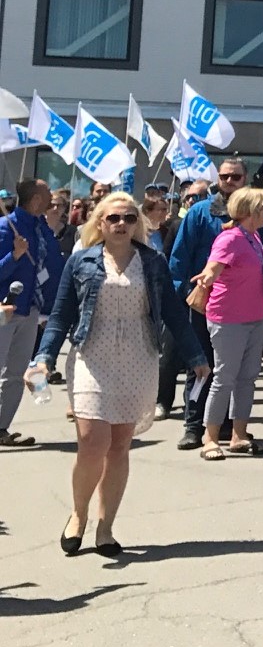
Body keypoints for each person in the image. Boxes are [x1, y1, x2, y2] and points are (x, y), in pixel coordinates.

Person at [28, 192, 206, 554]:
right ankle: (78, 515)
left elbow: (173, 313)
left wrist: (195, 356)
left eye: (128, 218)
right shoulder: (81, 261)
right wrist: (43, 357)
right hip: (92, 357)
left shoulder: (153, 262)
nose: (121, 224)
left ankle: (105, 527)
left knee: (120, 445)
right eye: (113, 218)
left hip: (138, 359)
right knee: (92, 443)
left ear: (136, 223)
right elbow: (61, 315)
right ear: (100, 224)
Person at [168, 158, 263, 450]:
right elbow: (180, 256)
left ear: (244, 179)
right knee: (201, 366)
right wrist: (182, 293)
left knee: (236, 371)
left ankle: (228, 427)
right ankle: (193, 425)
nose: (229, 181)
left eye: (235, 176)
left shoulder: (256, 222)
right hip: (206, 303)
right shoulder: (200, 212)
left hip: (246, 307)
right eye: (224, 176)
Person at [193, 187, 263, 460]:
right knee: (224, 377)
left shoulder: (253, 237)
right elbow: (213, 267)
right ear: (251, 211)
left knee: (248, 378)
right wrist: (206, 277)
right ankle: (210, 438)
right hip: (228, 318)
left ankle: (239, 435)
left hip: (254, 317)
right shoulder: (229, 238)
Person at [0, 179, 67, 447]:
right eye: (47, 192)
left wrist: (54, 307)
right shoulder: (7, 228)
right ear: (37, 199)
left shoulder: (42, 229)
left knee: (15, 372)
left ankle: (2, 427)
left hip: (32, 311)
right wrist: (14, 256)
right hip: (6, 309)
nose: (52, 196)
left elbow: (55, 267)